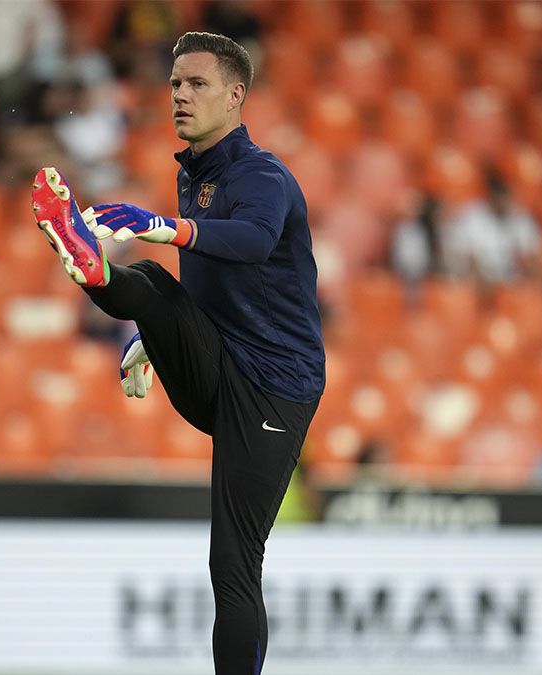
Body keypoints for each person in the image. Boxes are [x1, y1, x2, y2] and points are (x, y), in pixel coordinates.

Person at [30, 32, 323, 675]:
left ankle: (101, 271)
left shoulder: (262, 175)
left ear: (235, 95)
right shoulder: (196, 174)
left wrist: (165, 227)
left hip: (273, 390)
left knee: (233, 566)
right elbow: (211, 287)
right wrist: (155, 335)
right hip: (222, 363)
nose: (180, 96)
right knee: (154, 283)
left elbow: (252, 241)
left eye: (197, 84)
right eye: (174, 85)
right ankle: (95, 270)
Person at [443, 172, 542, 284]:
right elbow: (466, 259)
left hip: (512, 283)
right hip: (478, 281)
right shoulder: (470, 216)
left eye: (507, 195)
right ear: (492, 194)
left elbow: (530, 260)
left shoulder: (522, 220)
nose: (503, 200)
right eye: (500, 194)